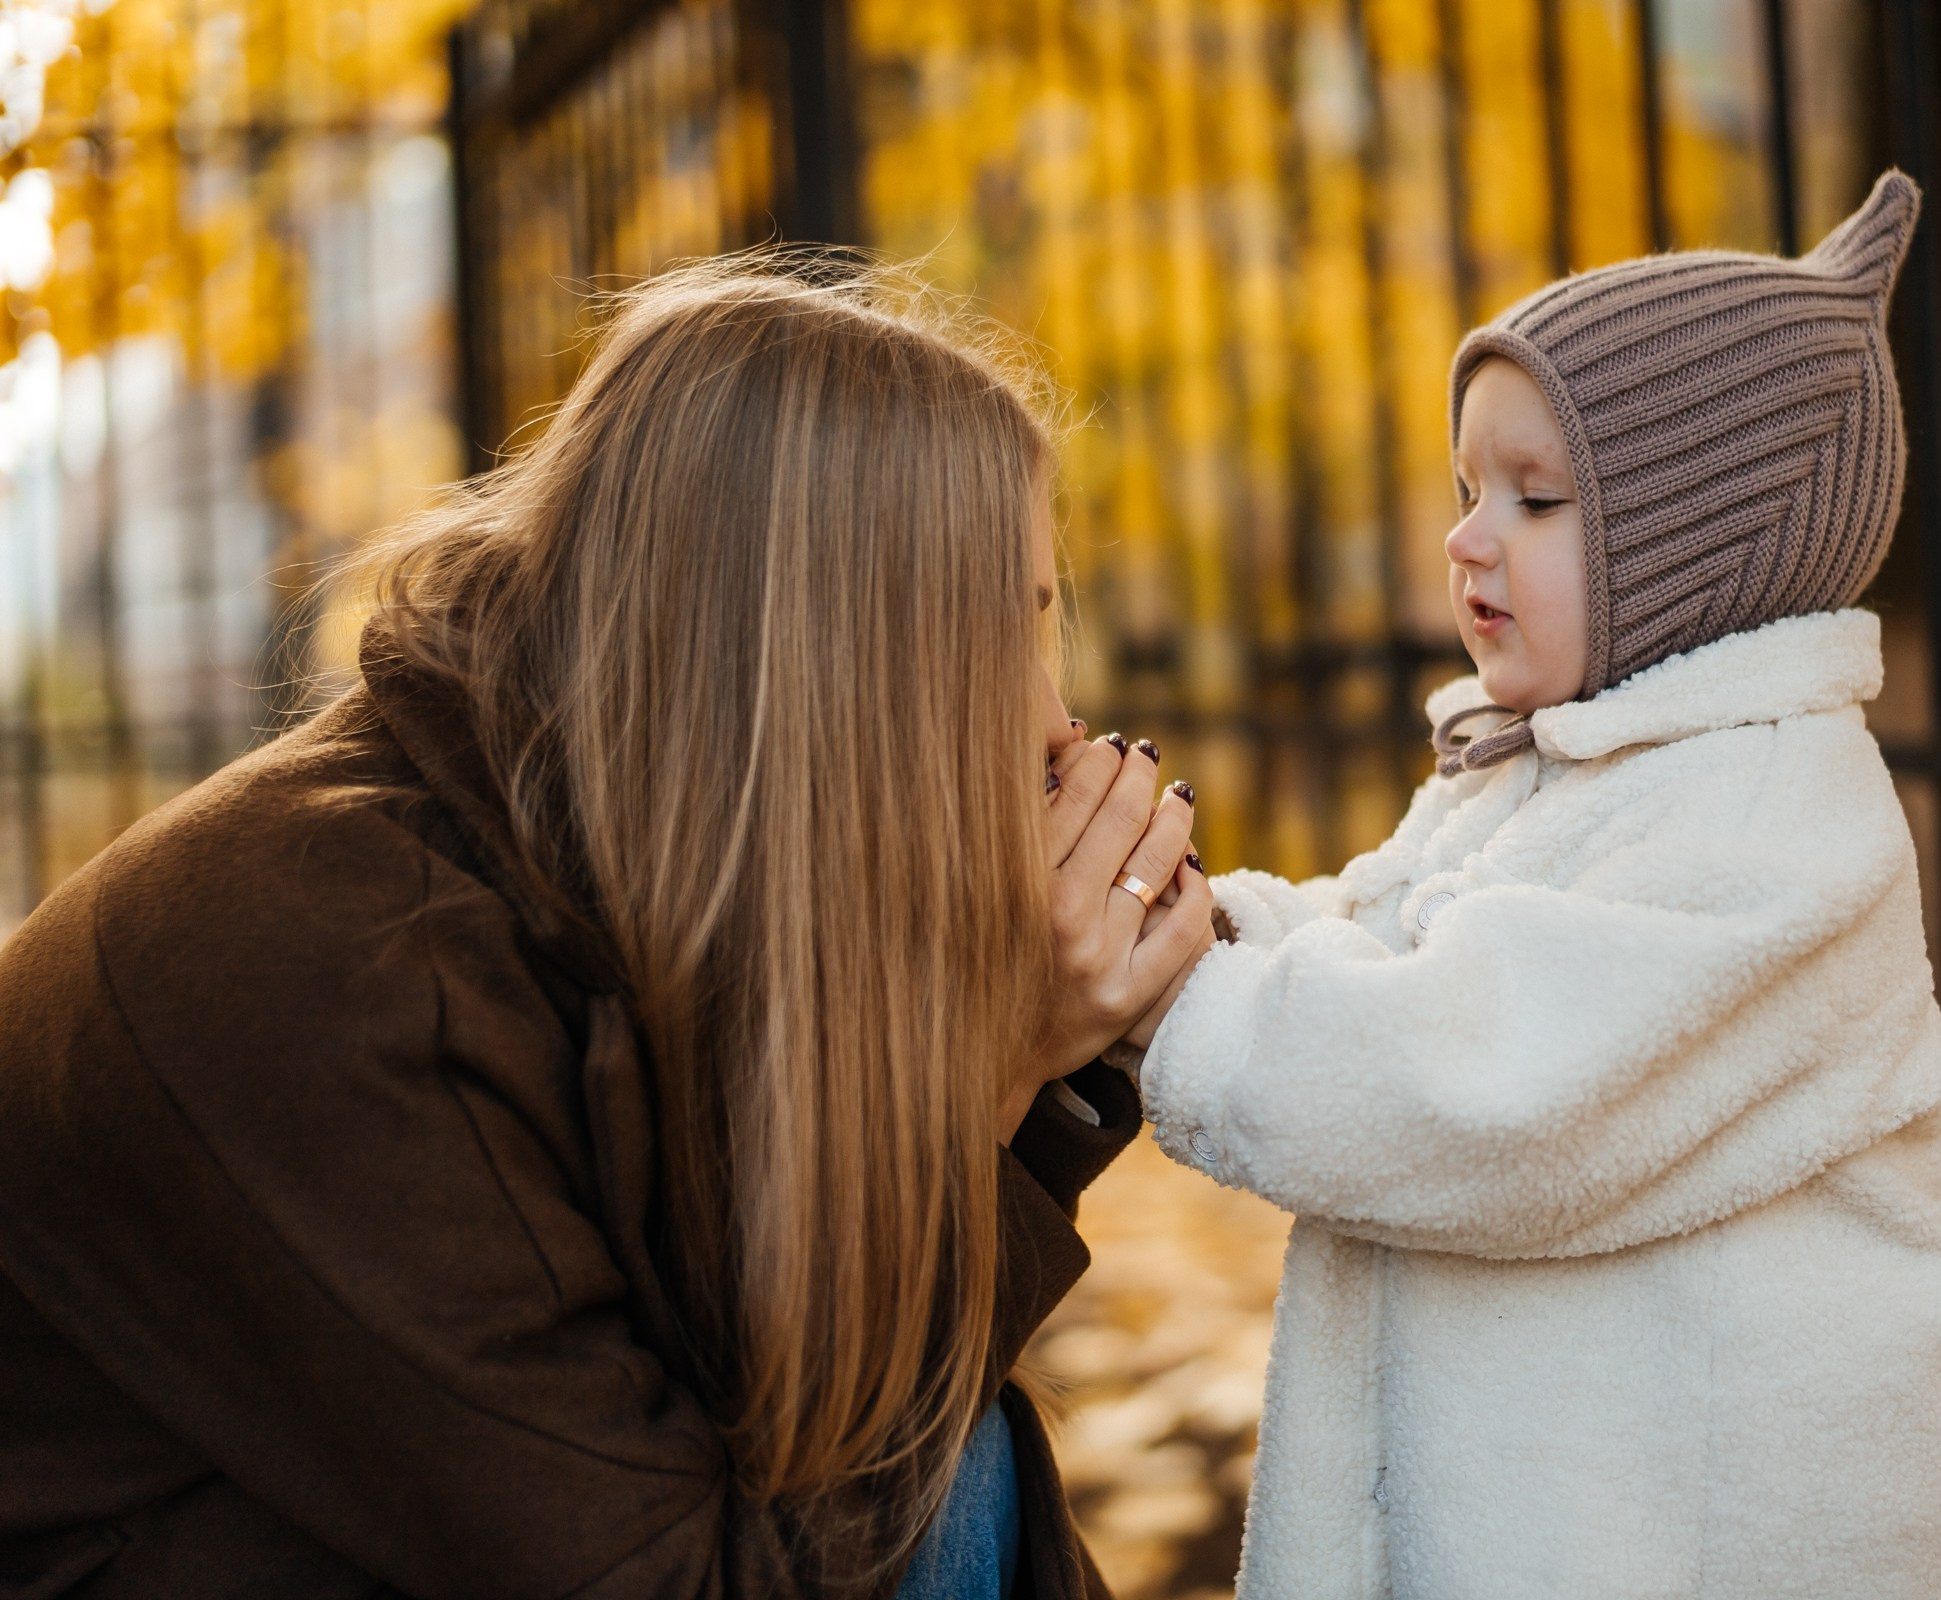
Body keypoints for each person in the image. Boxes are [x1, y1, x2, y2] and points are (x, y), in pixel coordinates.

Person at [0, 261, 1215, 1599]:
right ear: (821, 669)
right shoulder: (347, 977)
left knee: (953, 1458)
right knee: (933, 1473)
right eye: (1003, 641)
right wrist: (986, 1080)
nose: (1056, 726)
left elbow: (770, 1353)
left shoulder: (565, 857)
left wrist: (1027, 1069)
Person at [1131, 172, 1941, 1598]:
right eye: (1468, 489)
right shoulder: (1567, 764)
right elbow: (1391, 931)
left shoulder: (1773, 824)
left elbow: (1496, 1089)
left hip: (1698, 1533)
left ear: (1706, 562)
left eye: (1536, 500)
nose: (1468, 536)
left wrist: (1190, 1004)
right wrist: (1205, 928)